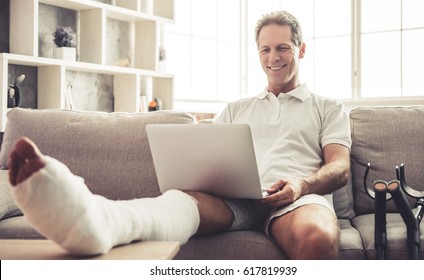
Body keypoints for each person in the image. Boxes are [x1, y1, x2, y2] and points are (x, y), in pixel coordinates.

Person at [7, 11, 351, 259]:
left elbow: (340, 168)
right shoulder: (236, 108)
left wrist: (301, 186)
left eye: (283, 48)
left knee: (318, 237)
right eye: (265, 49)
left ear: (301, 50)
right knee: (175, 204)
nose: (273, 58)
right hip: (235, 202)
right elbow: (210, 159)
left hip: (295, 199)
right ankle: (98, 222)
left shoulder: (327, 107)